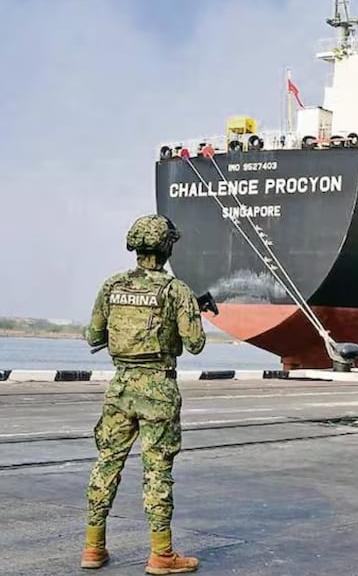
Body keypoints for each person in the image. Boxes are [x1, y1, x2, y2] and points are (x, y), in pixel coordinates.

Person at [81, 214, 205, 573]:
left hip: (119, 389)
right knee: (157, 470)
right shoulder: (176, 290)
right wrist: (192, 313)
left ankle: (93, 548)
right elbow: (195, 344)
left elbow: (93, 336)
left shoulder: (111, 286)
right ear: (167, 247)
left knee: (106, 463)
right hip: (158, 389)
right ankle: (162, 555)